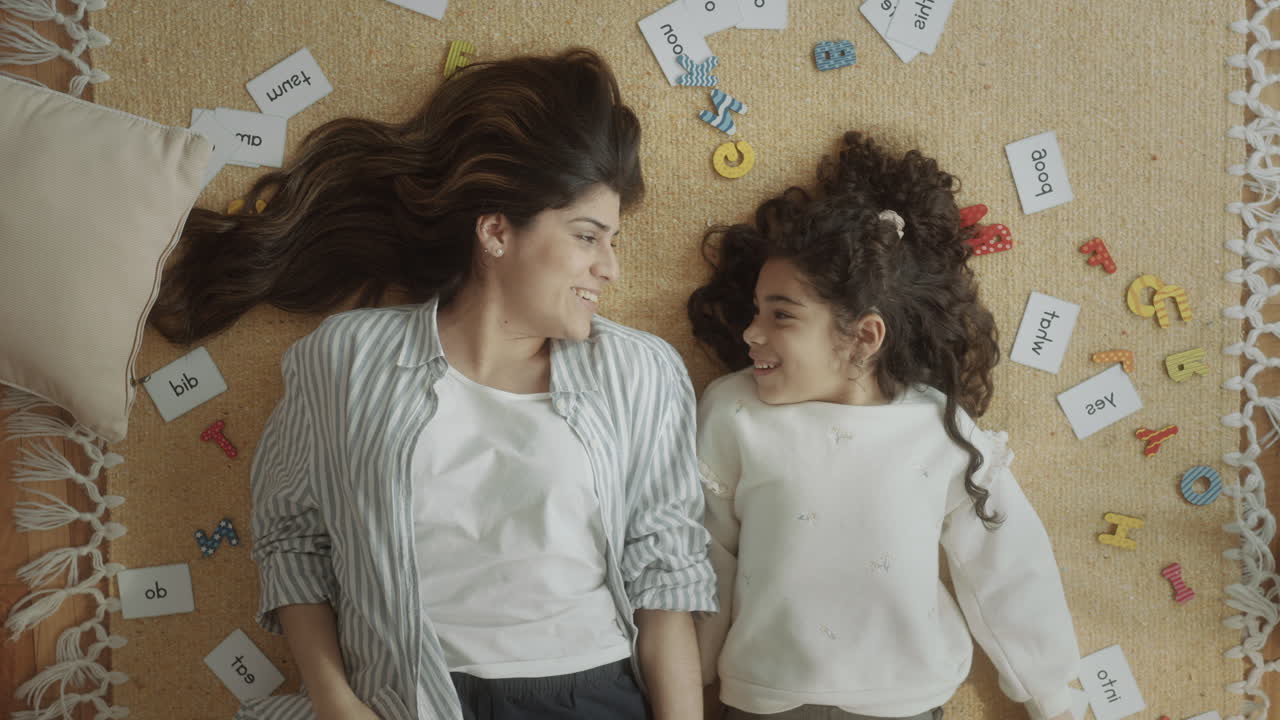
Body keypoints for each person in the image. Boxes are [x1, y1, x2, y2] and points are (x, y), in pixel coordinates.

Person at [151, 49, 716, 720]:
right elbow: (292, 540)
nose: (610, 268)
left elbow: (666, 585)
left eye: (613, 241)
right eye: (588, 237)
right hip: (407, 697)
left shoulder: (641, 373)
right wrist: (335, 700)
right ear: (497, 231)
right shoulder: (347, 359)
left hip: (590, 693)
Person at [685, 132, 1079, 720]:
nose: (751, 332)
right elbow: (705, 556)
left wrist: (1051, 695)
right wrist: (686, 680)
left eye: (781, 315)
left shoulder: (939, 429)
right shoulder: (734, 412)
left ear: (863, 336)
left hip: (908, 696)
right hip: (764, 695)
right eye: (755, 311)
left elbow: (1008, 565)